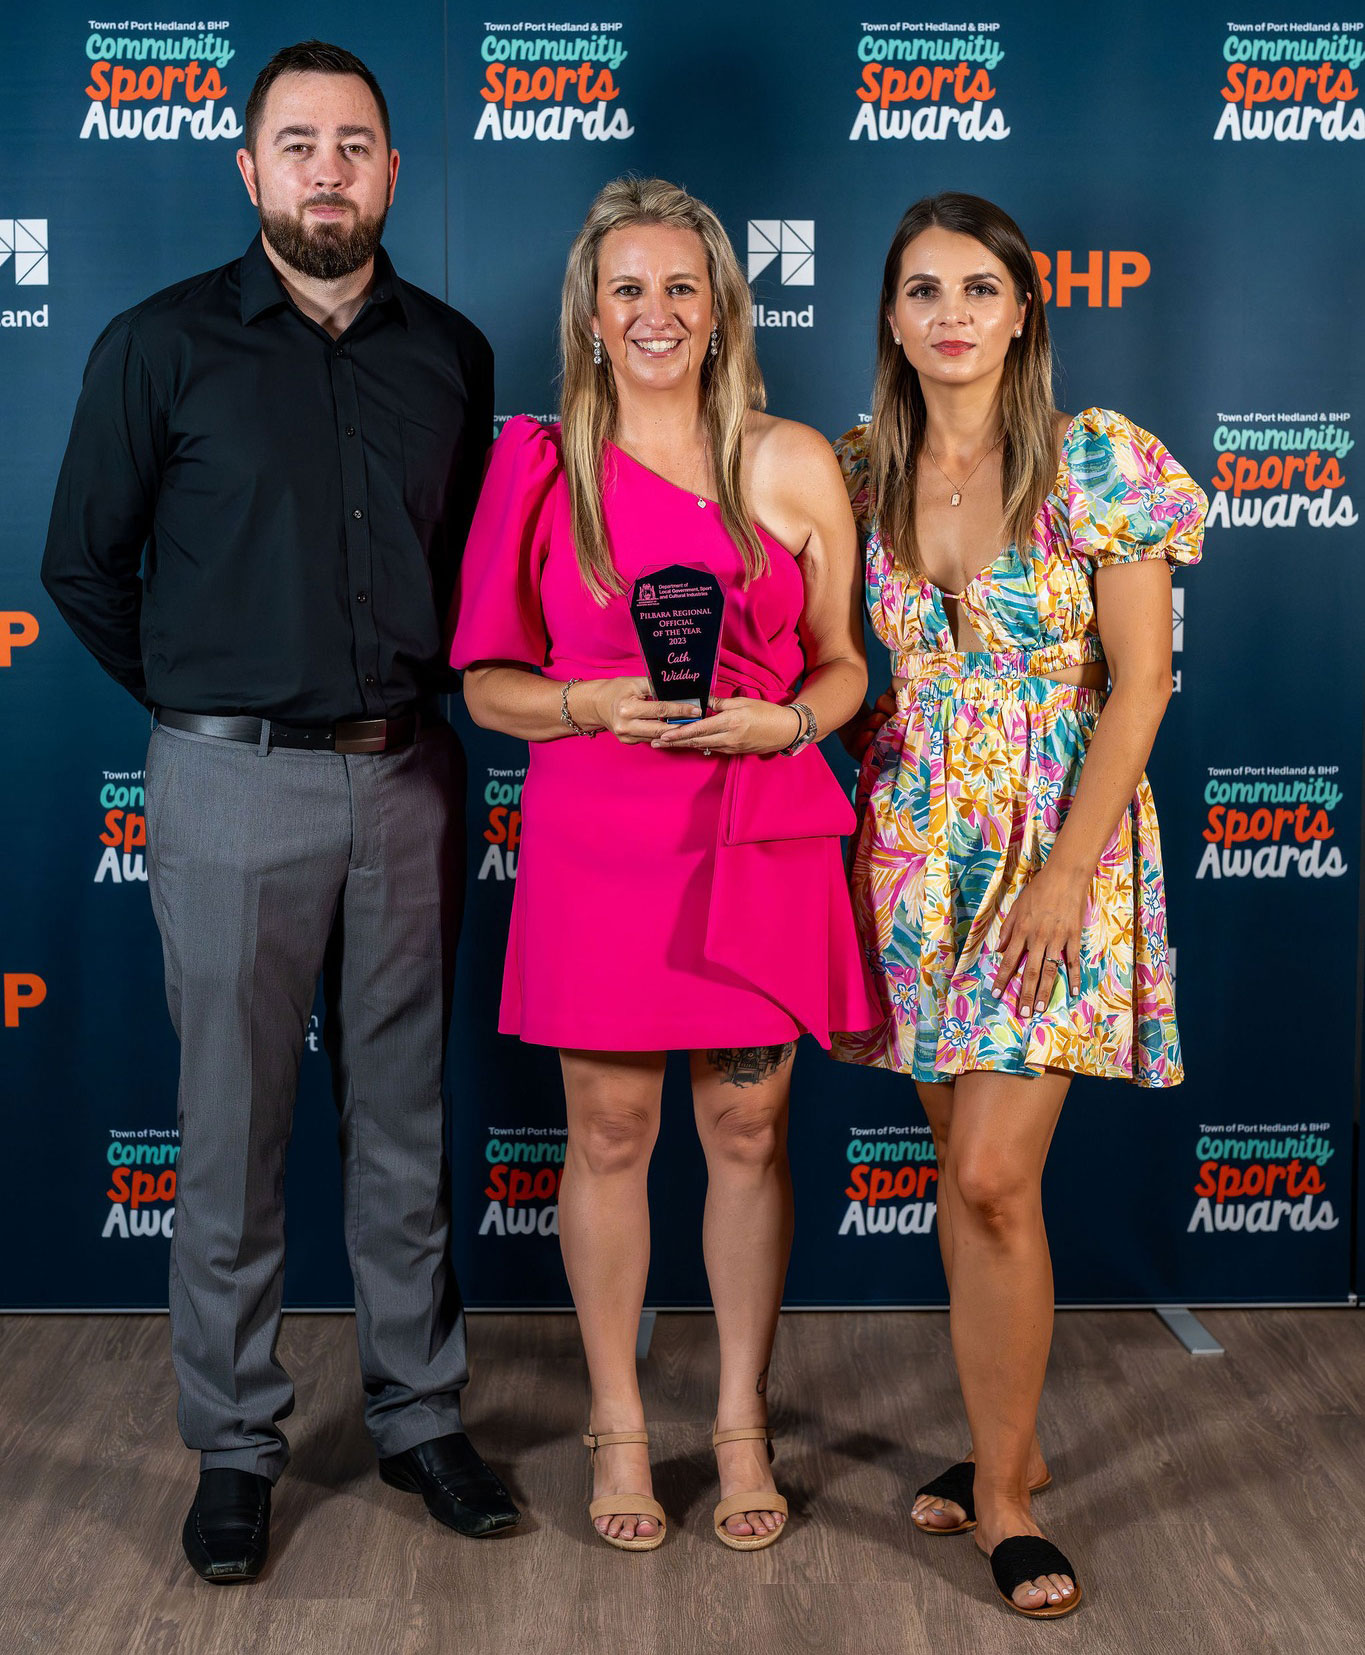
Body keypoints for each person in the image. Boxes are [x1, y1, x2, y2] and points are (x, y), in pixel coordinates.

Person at [41, 39, 519, 1584]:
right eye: (296, 143)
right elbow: (84, 571)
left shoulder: (451, 352)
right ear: (249, 171)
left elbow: (471, 573)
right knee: (232, 1128)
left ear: (393, 171)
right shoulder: (156, 345)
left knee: (402, 1119)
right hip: (226, 776)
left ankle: (419, 1413)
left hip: (411, 775)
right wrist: (210, 702)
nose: (328, 168)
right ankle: (236, 1446)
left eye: (356, 143)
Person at [452, 176, 878, 1553]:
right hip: (600, 832)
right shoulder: (533, 465)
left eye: (680, 287)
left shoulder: (793, 459)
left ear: (721, 311)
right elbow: (488, 689)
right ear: (587, 311)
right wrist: (583, 703)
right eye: (626, 288)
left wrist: (792, 720)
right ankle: (620, 1423)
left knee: (748, 1128)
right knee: (610, 1133)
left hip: (756, 826)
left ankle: (741, 1419)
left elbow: (842, 664)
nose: (654, 313)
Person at [834, 192, 1205, 1618]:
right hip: (914, 844)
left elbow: (1144, 682)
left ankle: (996, 1499)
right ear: (889, 316)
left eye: (976, 289)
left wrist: (1063, 871)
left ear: (1022, 311)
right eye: (921, 290)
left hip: (1061, 841)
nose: (948, 316)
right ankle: (1015, 1441)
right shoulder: (862, 467)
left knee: (991, 1179)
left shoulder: (1096, 458)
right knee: (966, 1181)